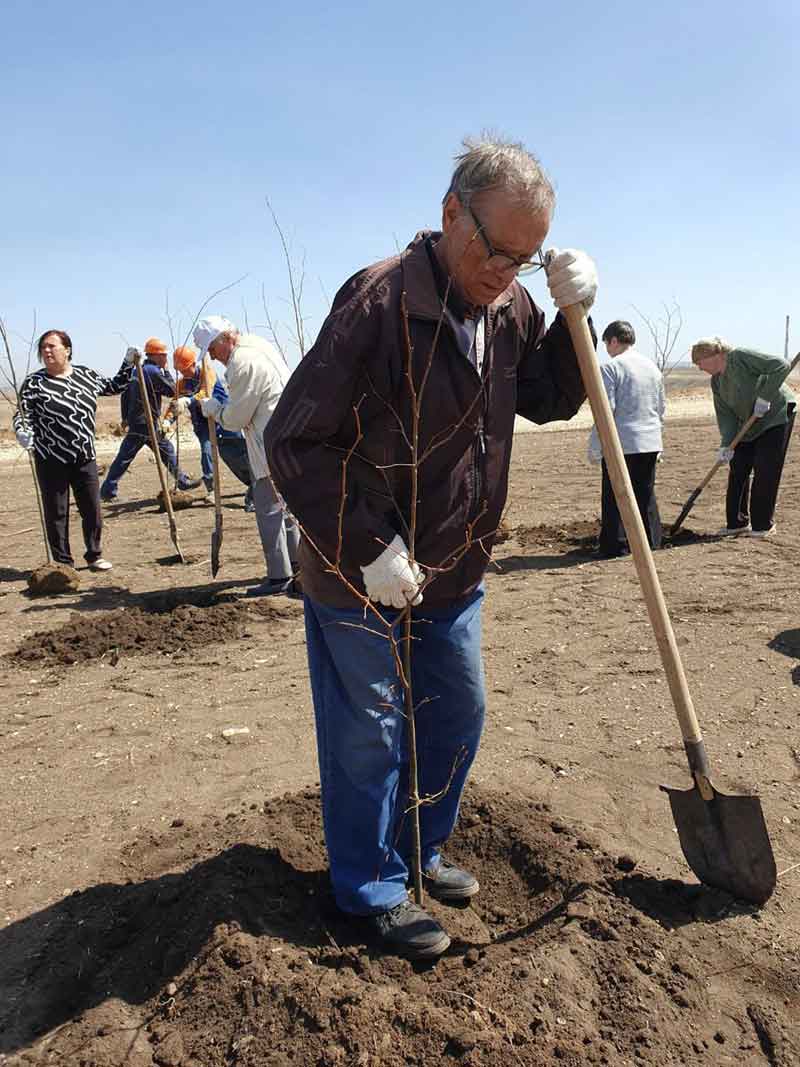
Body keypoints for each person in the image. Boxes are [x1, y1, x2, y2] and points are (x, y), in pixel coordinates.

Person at [264, 136, 598, 958]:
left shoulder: (510, 306)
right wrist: (369, 546)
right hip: (357, 567)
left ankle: (420, 847)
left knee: (457, 712)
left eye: (526, 257)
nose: (505, 271)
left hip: (453, 564)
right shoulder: (378, 303)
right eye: (496, 250)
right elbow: (293, 440)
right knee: (370, 730)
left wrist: (571, 316)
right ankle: (369, 888)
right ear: (453, 213)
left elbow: (551, 399)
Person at [192, 316, 300, 595]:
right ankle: (299, 567)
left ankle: (279, 577)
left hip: (269, 442)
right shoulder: (258, 345)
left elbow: (237, 418)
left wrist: (214, 409)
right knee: (287, 507)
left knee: (268, 508)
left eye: (213, 351)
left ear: (224, 340)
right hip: (287, 435)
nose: (214, 358)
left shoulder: (243, 362)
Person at [13, 330, 136, 571]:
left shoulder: (85, 375)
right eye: (43, 348)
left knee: (92, 509)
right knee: (56, 512)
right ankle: (63, 563)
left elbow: (115, 386)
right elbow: (23, 414)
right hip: (50, 457)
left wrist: (128, 362)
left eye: (52, 346)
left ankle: (94, 555)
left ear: (67, 349)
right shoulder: (34, 383)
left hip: (84, 456)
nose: (47, 351)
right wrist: (21, 430)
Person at [691, 336, 796, 538]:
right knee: (738, 466)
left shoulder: (739, 357)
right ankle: (737, 522)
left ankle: (762, 525)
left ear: (714, 356)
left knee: (765, 467)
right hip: (748, 422)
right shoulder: (717, 382)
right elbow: (727, 416)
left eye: (699, 362)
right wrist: (726, 445)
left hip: (775, 414)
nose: (699, 368)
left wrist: (764, 397)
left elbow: (781, 366)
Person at [588, 320, 665, 558]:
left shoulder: (611, 367)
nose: (607, 350)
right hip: (650, 440)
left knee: (615, 495)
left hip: (622, 442)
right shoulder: (652, 368)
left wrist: (595, 444)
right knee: (645, 494)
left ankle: (616, 547)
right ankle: (651, 543)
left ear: (613, 340)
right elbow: (661, 407)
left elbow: (605, 410)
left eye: (606, 344)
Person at [100, 337, 202, 501]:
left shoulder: (136, 371)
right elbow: (171, 390)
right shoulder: (153, 372)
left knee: (133, 455)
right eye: (163, 355)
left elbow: (124, 395)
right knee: (159, 451)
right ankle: (107, 491)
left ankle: (107, 490)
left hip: (138, 421)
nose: (165, 359)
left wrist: (125, 417)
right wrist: (167, 371)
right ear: (155, 355)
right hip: (145, 422)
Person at [171, 346, 254, 510]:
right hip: (203, 425)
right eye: (181, 371)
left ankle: (256, 483)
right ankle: (211, 490)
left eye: (186, 369)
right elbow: (174, 404)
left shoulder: (207, 373)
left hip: (224, 419)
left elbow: (204, 392)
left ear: (193, 364)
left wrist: (188, 400)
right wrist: (168, 420)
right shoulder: (181, 383)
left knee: (240, 453)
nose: (184, 373)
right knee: (207, 453)